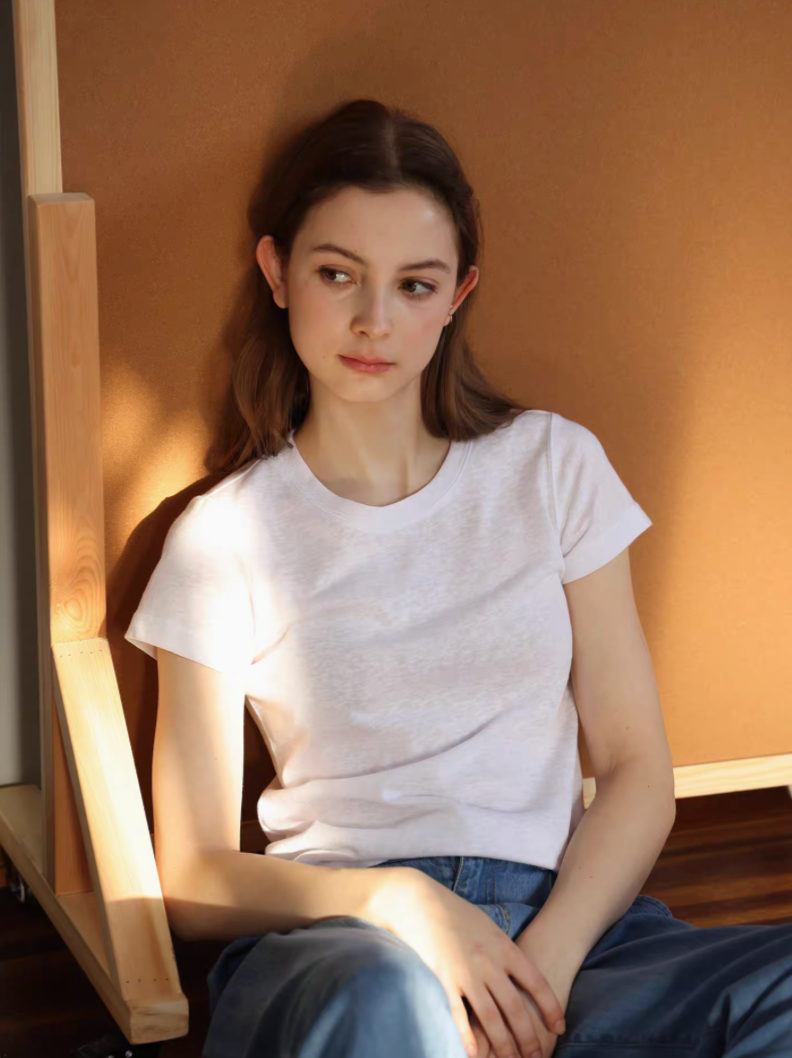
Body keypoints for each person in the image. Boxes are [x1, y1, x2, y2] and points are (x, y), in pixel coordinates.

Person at [124, 99, 792, 1058]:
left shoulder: (552, 466)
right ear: (277, 273)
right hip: (349, 943)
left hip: (573, 933)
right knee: (383, 1006)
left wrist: (541, 976)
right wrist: (400, 902)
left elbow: (641, 771)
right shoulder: (224, 535)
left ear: (458, 294)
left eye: (414, 283)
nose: (373, 320)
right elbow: (190, 875)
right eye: (336, 273)